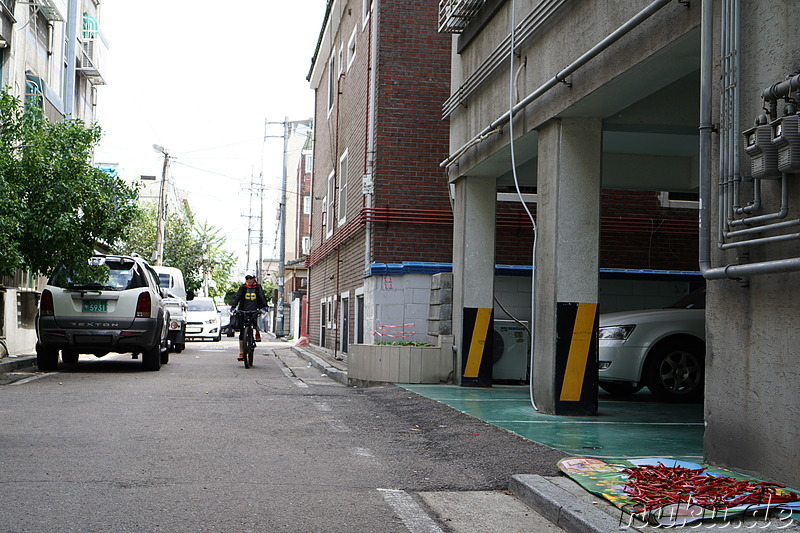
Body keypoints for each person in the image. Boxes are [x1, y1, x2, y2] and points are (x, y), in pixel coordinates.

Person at [231, 272, 268, 361]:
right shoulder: (243, 287)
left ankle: (257, 333)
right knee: (242, 332)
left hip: (255, 309)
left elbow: (261, 296)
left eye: (250, 278)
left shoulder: (257, 287)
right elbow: (238, 297)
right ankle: (241, 352)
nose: (249, 280)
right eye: (247, 278)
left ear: (254, 278)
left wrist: (264, 307)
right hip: (244, 310)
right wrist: (233, 307)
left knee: (255, 322)